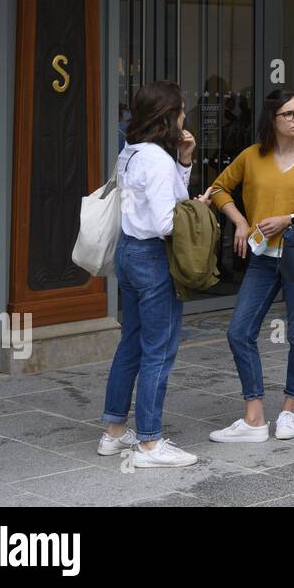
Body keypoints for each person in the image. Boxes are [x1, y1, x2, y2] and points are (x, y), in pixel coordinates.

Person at [204, 90, 294, 443]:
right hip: (262, 259)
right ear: (272, 120)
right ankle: (254, 416)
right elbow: (219, 188)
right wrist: (239, 222)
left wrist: (289, 219)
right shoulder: (253, 156)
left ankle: (288, 409)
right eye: (289, 114)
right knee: (239, 332)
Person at [98, 81, 199, 468]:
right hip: (153, 256)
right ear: (168, 116)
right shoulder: (155, 159)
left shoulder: (132, 153)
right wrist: (196, 214)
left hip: (128, 251)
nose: (185, 116)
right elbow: (163, 220)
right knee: (159, 349)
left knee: (132, 344)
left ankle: (114, 432)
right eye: (182, 110)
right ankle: (150, 443)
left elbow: (163, 194)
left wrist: (185, 161)